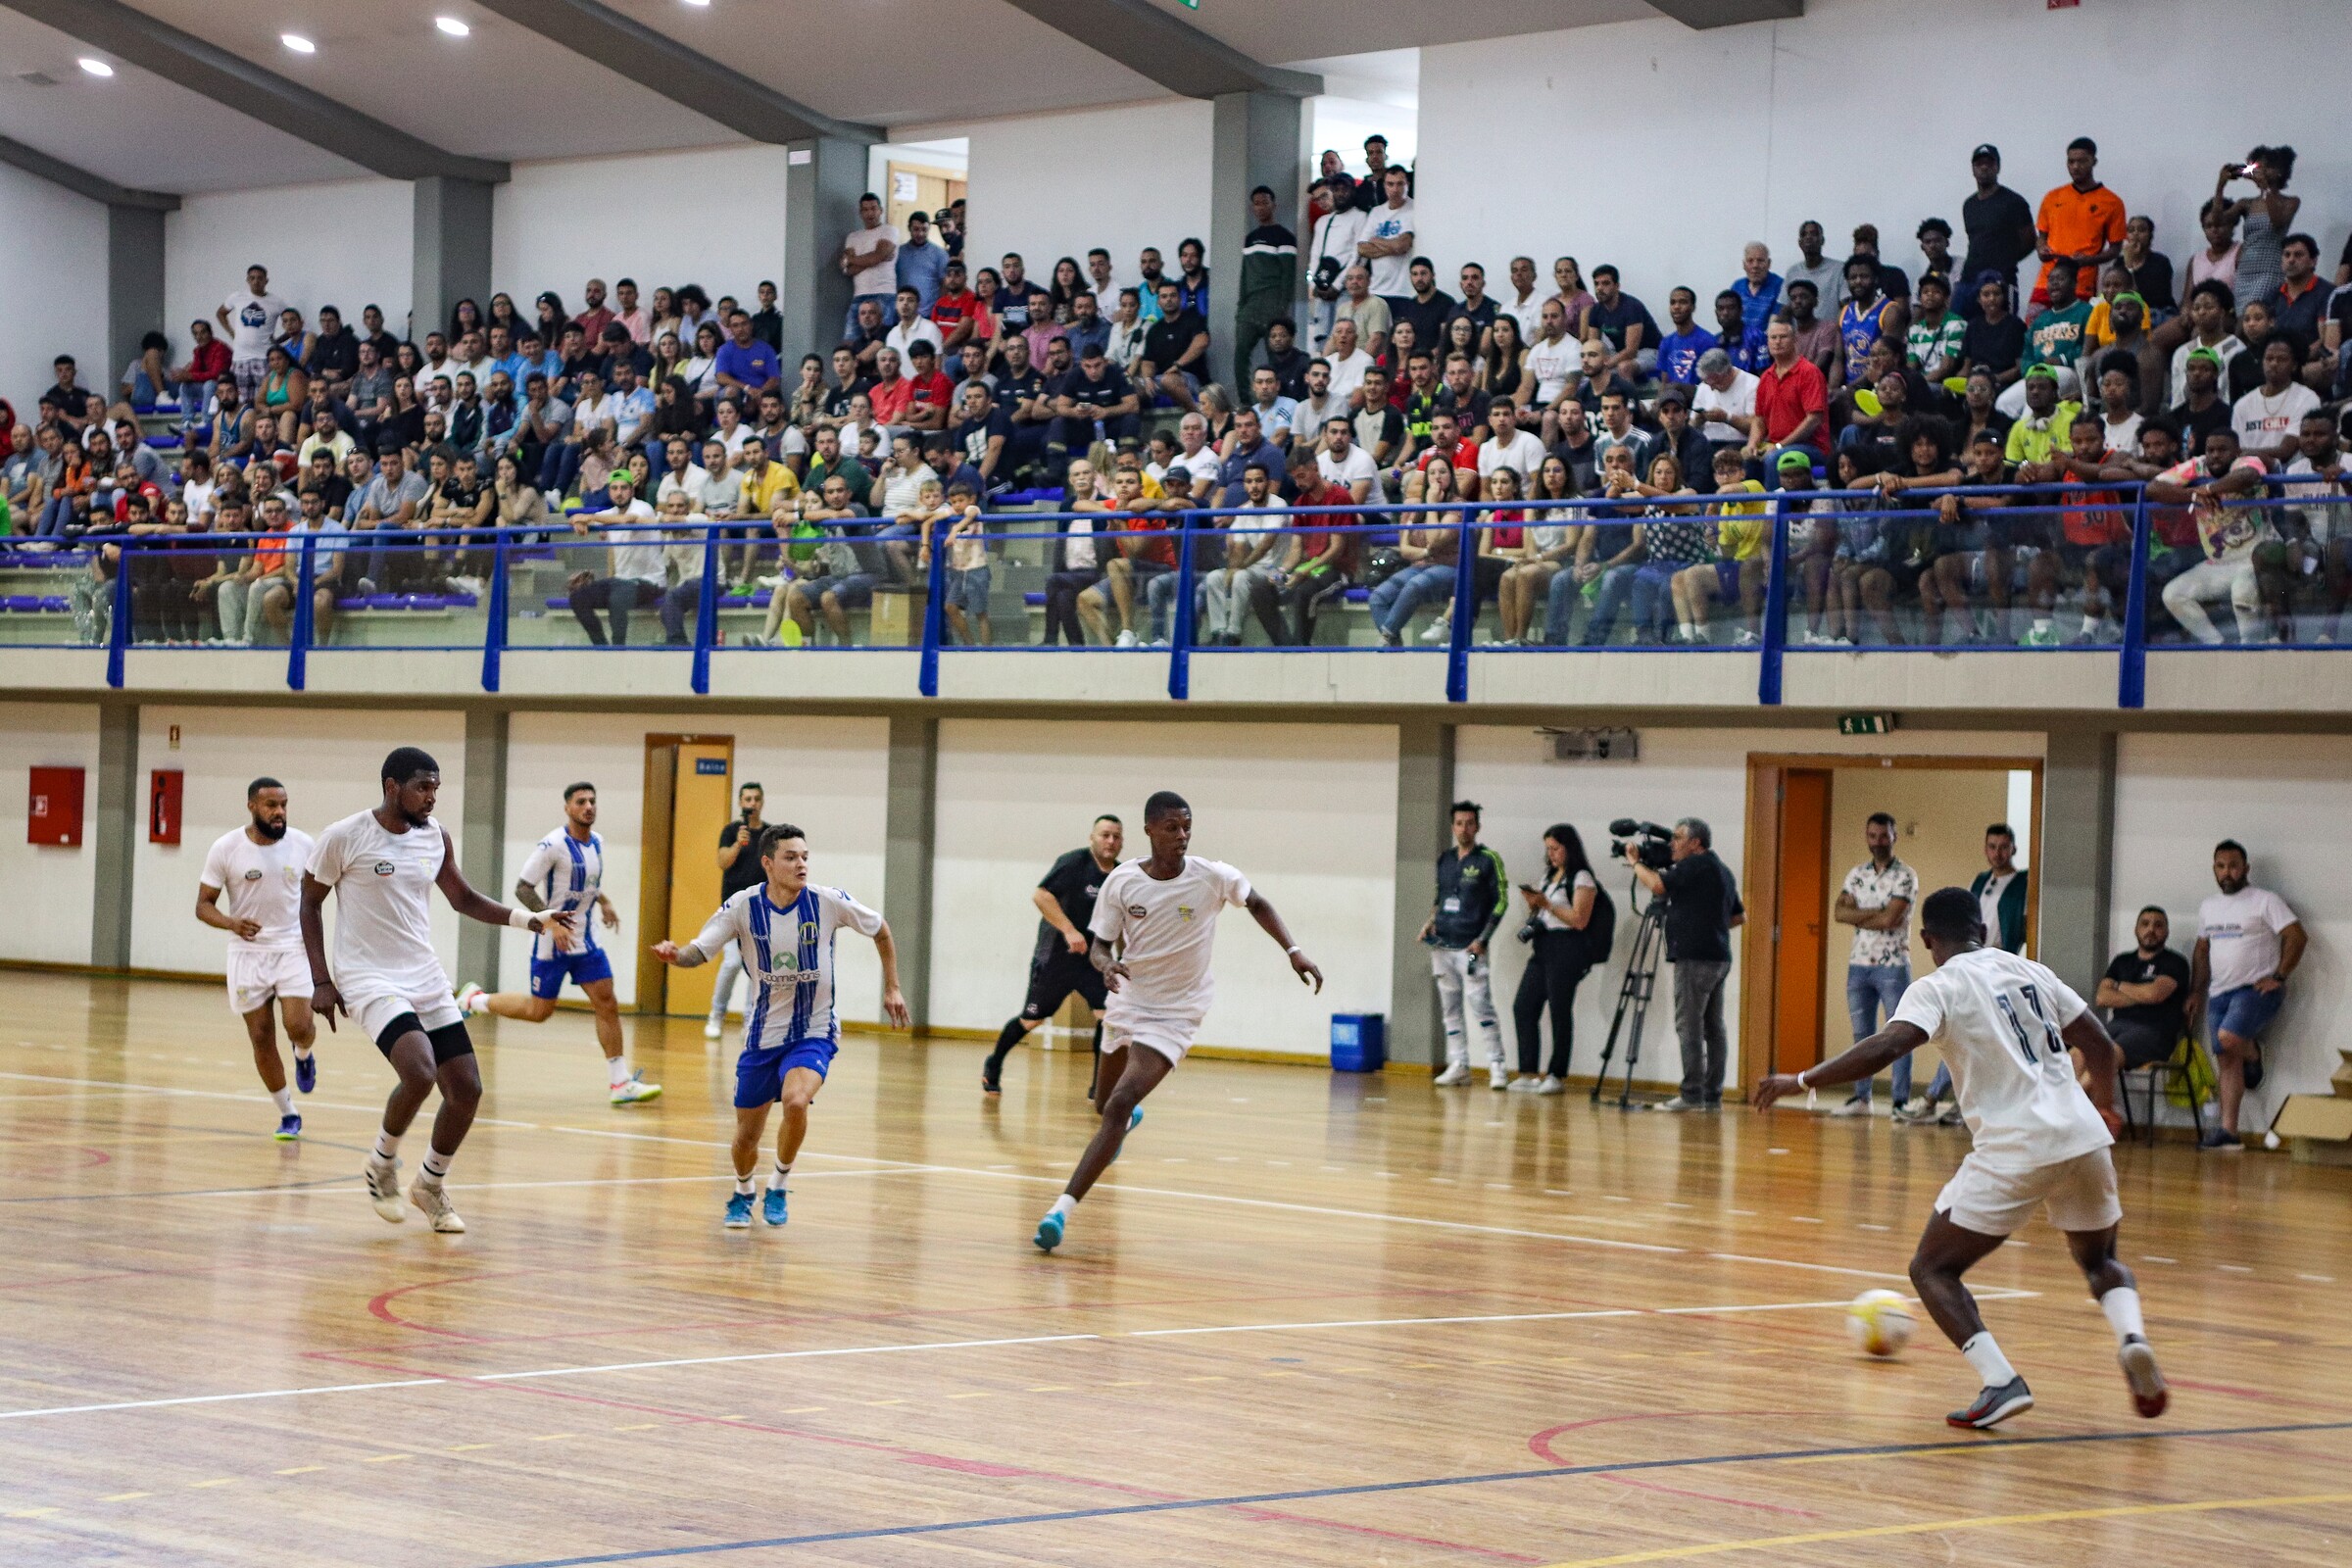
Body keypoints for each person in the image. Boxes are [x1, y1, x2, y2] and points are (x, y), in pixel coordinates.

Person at [1752, 887, 2165, 1431]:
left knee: (1932, 1268)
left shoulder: (1938, 986)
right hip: (2083, 1137)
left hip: (2017, 1145)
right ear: (1984, 929)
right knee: (2100, 1261)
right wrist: (2105, 1106)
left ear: (1927, 940)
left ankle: (2001, 1383)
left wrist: (1800, 1079)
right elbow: (2095, 1039)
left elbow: (1886, 1046)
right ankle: (2132, 1338)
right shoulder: (2031, 971)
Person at [1031, 792, 1320, 1252]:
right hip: (1129, 999)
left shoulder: (1211, 876)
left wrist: (1292, 950)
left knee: (1121, 1101)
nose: (1182, 835)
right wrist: (1105, 965)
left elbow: (1258, 902)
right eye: (1171, 827)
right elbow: (1102, 943)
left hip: (1178, 1011)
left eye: (1187, 826)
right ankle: (1122, 1123)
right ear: (1149, 831)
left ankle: (1059, 1211)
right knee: (1104, 1105)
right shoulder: (1123, 882)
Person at [303, 747, 573, 1234]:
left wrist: (531, 919)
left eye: (436, 788)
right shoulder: (344, 837)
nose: (431, 797)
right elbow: (309, 904)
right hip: (368, 977)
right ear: (392, 787)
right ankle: (382, 1163)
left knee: (467, 1088)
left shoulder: (435, 838)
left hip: (423, 975)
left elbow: (463, 897)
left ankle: (429, 1183)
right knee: (420, 1070)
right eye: (423, 787)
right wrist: (321, 980)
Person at [654, 823, 910, 1229]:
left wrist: (893, 988)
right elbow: (699, 952)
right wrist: (674, 955)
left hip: (815, 1029)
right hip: (762, 1035)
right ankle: (742, 1190)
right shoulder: (742, 906)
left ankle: (779, 1183)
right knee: (745, 1139)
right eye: (791, 858)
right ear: (768, 864)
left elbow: (881, 930)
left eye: (805, 856)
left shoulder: (828, 902)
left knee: (795, 1101)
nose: (801, 864)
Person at [454, 783, 662, 1106]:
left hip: (586, 940)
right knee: (540, 1012)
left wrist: (603, 902)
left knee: (606, 1001)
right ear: (567, 808)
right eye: (581, 802)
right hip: (553, 943)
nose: (589, 806)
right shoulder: (552, 845)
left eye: (593, 800)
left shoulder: (597, 843)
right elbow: (523, 888)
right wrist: (548, 921)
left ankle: (620, 1083)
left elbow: (588, 883)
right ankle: (476, 999)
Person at [195, 777, 318, 1141]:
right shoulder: (226, 848)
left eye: (283, 805)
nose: (279, 812)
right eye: (270, 805)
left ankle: (304, 1053)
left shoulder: (303, 845)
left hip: (293, 947)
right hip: (248, 952)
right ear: (252, 806)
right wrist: (231, 923)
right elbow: (203, 905)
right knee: (262, 1036)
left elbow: (315, 897)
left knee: (298, 1025)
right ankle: (288, 1113)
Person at [982, 815, 1124, 1097]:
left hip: (1094, 961)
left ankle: (1099, 1087)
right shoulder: (1073, 863)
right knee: (1032, 1019)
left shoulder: (1121, 875)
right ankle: (994, 1063)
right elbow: (1041, 895)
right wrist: (1069, 930)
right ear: (1092, 838)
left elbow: (1119, 921)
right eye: (1105, 835)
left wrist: (1121, 958)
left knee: (1108, 1017)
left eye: (1117, 837)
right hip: (1056, 958)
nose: (1111, 841)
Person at [2189, 840, 2304, 1152]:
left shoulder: (2265, 901)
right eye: (2221, 866)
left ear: (2246, 868)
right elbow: (2202, 951)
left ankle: (2253, 1053)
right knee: (2226, 1058)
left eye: (2234, 866)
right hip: (2219, 992)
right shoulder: (2208, 906)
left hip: (2255, 991)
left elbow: (2296, 936)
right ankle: (2230, 1131)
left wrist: (2279, 975)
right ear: (2214, 869)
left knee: (2228, 1039)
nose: (2227, 872)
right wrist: (2196, 991)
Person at [1627, 818, 1743, 1109]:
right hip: (1719, 956)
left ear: (1696, 843)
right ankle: (1712, 1094)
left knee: (1688, 1025)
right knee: (1713, 1028)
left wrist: (1635, 863)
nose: (1671, 844)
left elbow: (1657, 884)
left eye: (1678, 838)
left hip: (1694, 959)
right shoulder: (1723, 870)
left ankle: (1692, 1094)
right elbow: (1737, 917)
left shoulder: (1694, 865)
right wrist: (1707, 926)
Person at [1831, 810, 1918, 1117]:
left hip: (1893, 965)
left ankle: (1899, 1102)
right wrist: (1876, 913)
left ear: (1894, 836)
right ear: (1866, 837)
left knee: (1899, 1034)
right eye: (1873, 836)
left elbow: (1891, 918)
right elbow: (1839, 913)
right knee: (1861, 1035)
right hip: (1859, 965)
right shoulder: (1856, 875)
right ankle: (1861, 1098)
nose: (1878, 842)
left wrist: (1866, 914)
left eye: (1884, 836)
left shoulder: (1905, 875)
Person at [1422, 802, 1511, 1089]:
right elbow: (1440, 897)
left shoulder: (1488, 859)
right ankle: (1459, 1063)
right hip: (1442, 947)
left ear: (1478, 826)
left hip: (1471, 948)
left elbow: (1502, 901)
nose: (1464, 828)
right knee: (1450, 1009)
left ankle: (1497, 1066)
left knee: (1480, 1005)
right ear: (1452, 826)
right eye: (1459, 823)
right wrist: (1430, 922)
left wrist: (1482, 939)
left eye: (1470, 823)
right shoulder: (1445, 860)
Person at [1509, 822, 1603, 1095]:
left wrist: (1548, 904)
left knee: (1559, 1011)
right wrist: (1534, 904)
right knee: (1524, 1006)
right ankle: (1528, 1072)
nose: (1551, 854)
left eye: (1555, 848)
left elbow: (1579, 919)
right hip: (1544, 945)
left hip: (1567, 947)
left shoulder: (1582, 877)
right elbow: (1545, 913)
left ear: (1569, 848)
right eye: (1548, 849)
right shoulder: (1548, 876)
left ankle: (1556, 1073)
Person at [2097, 906, 2193, 1072]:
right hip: (2117, 1026)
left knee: (2106, 1057)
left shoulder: (2175, 962)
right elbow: (2102, 998)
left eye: (2158, 925)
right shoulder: (2122, 961)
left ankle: (2076, 1097)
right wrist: (2143, 996)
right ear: (2136, 929)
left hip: (2155, 1032)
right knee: (2079, 1052)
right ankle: (2068, 1097)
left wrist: (2119, 986)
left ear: (2166, 931)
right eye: (2145, 924)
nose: (2151, 930)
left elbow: (2154, 994)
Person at [706, 782, 768, 1038]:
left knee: (756, 967)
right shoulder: (731, 831)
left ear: (761, 802)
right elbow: (723, 862)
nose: (751, 804)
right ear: (740, 802)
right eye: (747, 799)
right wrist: (738, 845)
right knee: (731, 962)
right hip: (732, 909)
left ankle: (750, 1021)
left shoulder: (769, 834)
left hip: (760, 909)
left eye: (755, 799)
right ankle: (716, 1015)